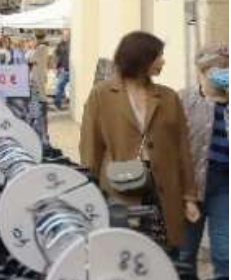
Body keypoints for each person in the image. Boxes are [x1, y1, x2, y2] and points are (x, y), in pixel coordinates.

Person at [79, 31, 198, 250]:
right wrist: (89, 188)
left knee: (163, 254)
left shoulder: (169, 97)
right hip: (119, 188)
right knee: (126, 253)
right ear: (140, 58)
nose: (163, 61)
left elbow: (182, 149)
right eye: (158, 55)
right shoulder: (102, 94)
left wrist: (189, 197)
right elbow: (90, 146)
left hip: (163, 190)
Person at [180, 43, 228, 279]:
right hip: (190, 187)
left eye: (228, 68)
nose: (225, 72)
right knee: (185, 253)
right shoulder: (184, 100)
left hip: (224, 186)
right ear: (202, 71)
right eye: (219, 68)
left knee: (224, 252)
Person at [53, 30, 71, 110]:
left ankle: (68, 101)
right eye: (65, 35)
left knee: (70, 87)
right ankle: (57, 103)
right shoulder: (60, 45)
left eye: (67, 35)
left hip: (74, 70)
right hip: (64, 69)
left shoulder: (73, 44)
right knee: (59, 86)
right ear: (62, 35)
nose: (66, 36)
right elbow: (56, 56)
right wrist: (56, 68)